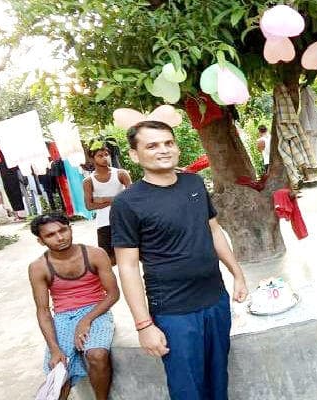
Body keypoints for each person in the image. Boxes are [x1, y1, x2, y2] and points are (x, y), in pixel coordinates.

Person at [110, 120, 248, 400]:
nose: (163, 150)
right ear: (135, 155)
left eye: (168, 143)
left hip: (215, 300)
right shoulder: (127, 203)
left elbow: (214, 230)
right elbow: (127, 266)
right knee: (188, 389)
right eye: (152, 145)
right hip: (174, 311)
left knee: (218, 379)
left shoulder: (193, 183)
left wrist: (237, 274)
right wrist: (144, 325)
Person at [28, 213, 119, 400]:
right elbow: (43, 311)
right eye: (50, 235)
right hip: (63, 316)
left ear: (70, 229)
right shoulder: (39, 267)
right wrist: (54, 349)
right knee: (59, 367)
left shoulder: (95, 254)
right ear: (40, 241)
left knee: (97, 355)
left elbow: (113, 294)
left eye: (63, 230)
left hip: (96, 310)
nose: (60, 237)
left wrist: (86, 320)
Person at [83, 146, 131, 265]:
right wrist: (117, 199)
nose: (105, 158)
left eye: (106, 155)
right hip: (104, 222)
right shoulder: (88, 181)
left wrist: (104, 199)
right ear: (92, 158)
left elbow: (132, 197)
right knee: (108, 260)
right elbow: (89, 206)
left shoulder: (121, 173)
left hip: (124, 219)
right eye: (100, 155)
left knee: (132, 255)